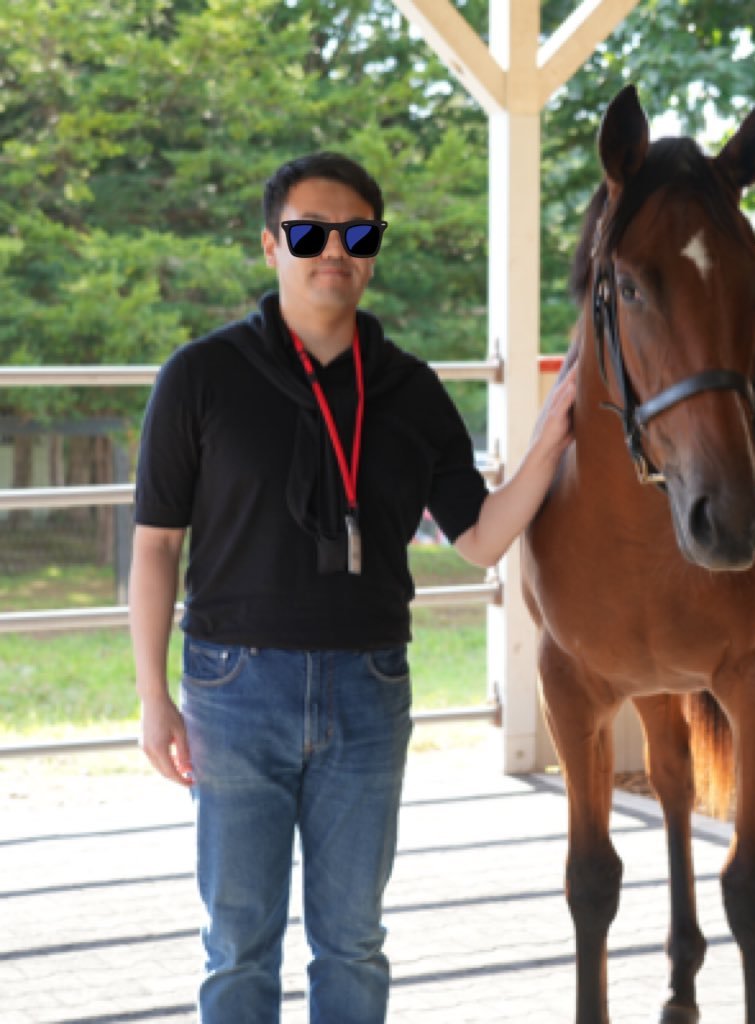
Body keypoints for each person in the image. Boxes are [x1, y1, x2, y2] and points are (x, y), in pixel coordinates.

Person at [128, 151, 577, 1024]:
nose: (333, 249)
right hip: (233, 687)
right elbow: (154, 548)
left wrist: (551, 444)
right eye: (309, 232)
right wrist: (153, 696)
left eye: (356, 233)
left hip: (368, 691)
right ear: (271, 246)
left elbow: (481, 541)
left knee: (354, 943)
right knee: (237, 945)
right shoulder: (200, 376)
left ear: (373, 250)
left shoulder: (409, 390)